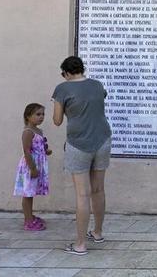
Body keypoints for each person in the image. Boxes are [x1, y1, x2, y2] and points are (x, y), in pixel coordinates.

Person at [52, 56, 112, 256]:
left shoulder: (62, 89)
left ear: (67, 73)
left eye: (63, 74)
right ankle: (97, 232)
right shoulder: (97, 85)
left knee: (82, 194)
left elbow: (57, 120)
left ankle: (79, 244)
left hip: (78, 144)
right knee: (99, 189)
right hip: (102, 140)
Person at [13, 103, 52, 231]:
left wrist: (45, 151)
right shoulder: (28, 132)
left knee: (32, 193)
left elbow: (38, 147)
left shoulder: (38, 131)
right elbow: (27, 151)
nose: (41, 117)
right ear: (28, 116)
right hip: (30, 166)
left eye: (43, 114)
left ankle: (30, 215)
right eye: (37, 114)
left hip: (38, 165)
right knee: (27, 194)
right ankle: (28, 221)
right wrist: (33, 168)